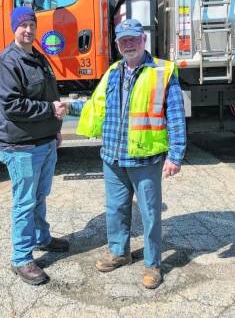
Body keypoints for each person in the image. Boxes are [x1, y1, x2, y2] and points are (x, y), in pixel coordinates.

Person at [73, 18, 186, 289]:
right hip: (112, 156)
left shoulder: (162, 71)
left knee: (149, 213)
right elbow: (96, 105)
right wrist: (69, 108)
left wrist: (176, 155)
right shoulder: (113, 71)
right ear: (117, 45)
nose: (129, 44)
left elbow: (176, 115)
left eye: (133, 38)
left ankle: (152, 264)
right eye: (123, 40)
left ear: (143, 39)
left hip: (145, 158)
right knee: (116, 208)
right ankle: (119, 252)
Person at [0, 6, 68, 285]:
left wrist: (56, 130)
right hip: (21, 146)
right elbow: (11, 106)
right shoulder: (6, 63)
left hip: (44, 142)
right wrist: (49, 111)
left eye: (32, 25)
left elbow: (52, 95)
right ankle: (21, 258)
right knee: (24, 202)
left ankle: (41, 238)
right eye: (23, 25)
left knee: (39, 196)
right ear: (14, 28)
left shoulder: (38, 57)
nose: (28, 30)